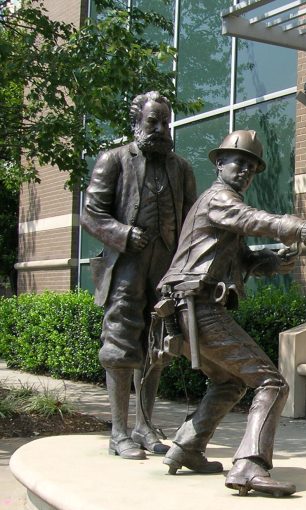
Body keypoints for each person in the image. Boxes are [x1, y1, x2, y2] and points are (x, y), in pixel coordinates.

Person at [157, 129, 306, 497]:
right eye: (240, 162)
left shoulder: (220, 208)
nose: (247, 171)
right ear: (220, 163)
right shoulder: (220, 199)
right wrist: (294, 226)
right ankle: (249, 465)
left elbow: (243, 259)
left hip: (187, 308)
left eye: (252, 167)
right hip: (197, 306)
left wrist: (272, 262)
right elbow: (249, 218)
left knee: (229, 381)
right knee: (272, 383)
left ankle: (187, 447)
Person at [81, 91, 197, 460]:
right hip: (126, 266)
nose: (161, 129)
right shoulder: (114, 160)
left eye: (166, 123)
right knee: (120, 342)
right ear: (136, 123)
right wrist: (123, 234)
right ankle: (118, 432)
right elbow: (91, 214)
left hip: (165, 268)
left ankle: (144, 425)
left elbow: (192, 222)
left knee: (158, 344)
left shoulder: (182, 168)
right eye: (153, 122)